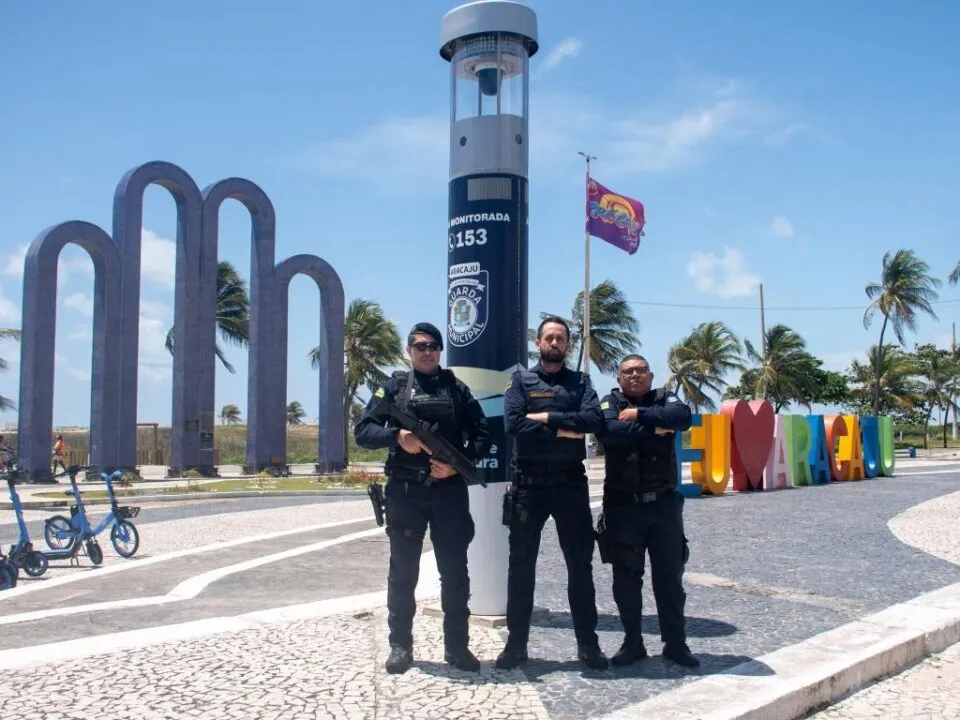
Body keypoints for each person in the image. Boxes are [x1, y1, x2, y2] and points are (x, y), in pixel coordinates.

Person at [355, 322, 491, 675]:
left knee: (455, 573)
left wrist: (459, 467)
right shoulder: (393, 389)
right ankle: (400, 646)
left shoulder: (456, 389)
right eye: (420, 346)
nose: (427, 351)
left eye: (433, 346)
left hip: (448, 493)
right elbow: (363, 432)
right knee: (402, 573)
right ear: (409, 350)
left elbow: (484, 434)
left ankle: (457, 647)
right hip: (406, 493)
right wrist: (398, 436)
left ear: (440, 350)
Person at [496, 316, 608, 671]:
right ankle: (516, 645)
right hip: (528, 486)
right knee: (520, 567)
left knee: (580, 566)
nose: (554, 343)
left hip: (570, 486)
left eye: (561, 338)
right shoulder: (521, 381)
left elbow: (594, 422)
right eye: (549, 337)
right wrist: (563, 428)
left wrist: (543, 419)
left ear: (568, 344)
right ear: (539, 343)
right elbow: (513, 425)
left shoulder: (581, 382)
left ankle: (588, 645)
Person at [596, 354, 699, 668]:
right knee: (626, 579)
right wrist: (654, 428)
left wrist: (638, 414)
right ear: (619, 379)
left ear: (651, 376)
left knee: (669, 579)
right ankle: (633, 643)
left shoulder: (665, 398)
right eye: (627, 371)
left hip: (664, 506)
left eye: (640, 370)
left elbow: (682, 417)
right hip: (623, 506)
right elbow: (610, 432)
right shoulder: (608, 401)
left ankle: (676, 644)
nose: (634, 375)